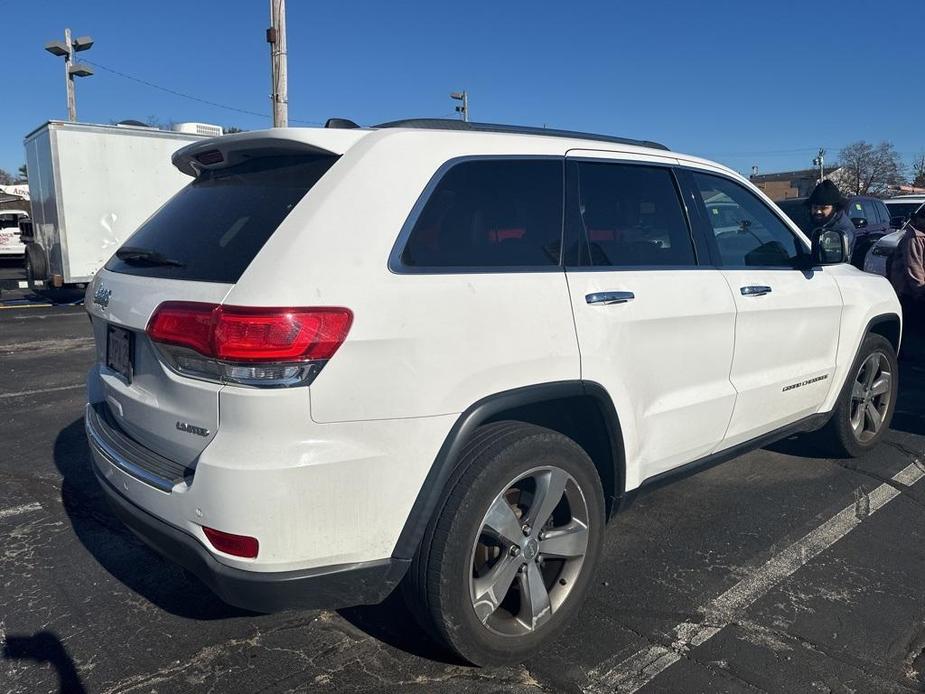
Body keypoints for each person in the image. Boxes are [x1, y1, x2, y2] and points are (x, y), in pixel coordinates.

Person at [889, 204, 925, 360]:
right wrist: (920, 292)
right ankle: (901, 356)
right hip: (908, 290)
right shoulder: (914, 238)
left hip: (915, 290)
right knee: (908, 325)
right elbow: (914, 267)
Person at [806, 179, 856, 256]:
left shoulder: (843, 230)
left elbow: (830, 256)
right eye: (815, 207)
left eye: (823, 208)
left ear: (835, 208)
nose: (818, 212)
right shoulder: (808, 223)